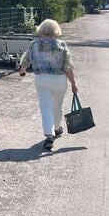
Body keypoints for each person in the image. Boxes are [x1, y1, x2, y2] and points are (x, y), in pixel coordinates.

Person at [18, 19, 78, 150]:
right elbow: (68, 66)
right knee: (57, 106)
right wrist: (73, 84)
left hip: (42, 79)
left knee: (45, 106)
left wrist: (22, 70)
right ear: (56, 30)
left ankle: (49, 136)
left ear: (41, 29)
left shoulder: (34, 44)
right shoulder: (61, 44)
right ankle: (57, 128)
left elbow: (25, 59)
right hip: (60, 80)